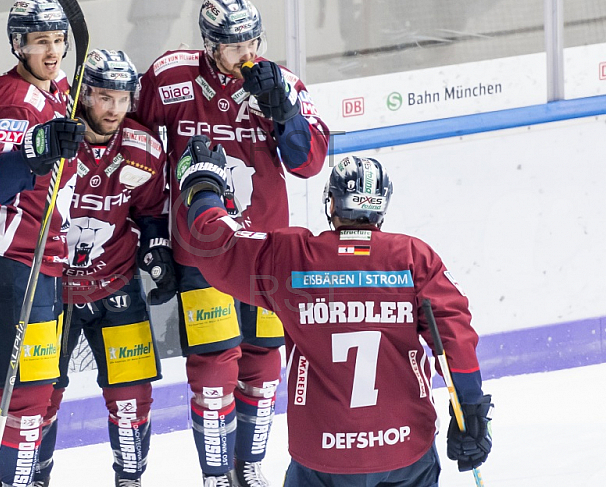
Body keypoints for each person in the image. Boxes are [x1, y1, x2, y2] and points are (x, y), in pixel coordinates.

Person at [176, 137, 494, 487]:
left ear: (331, 204)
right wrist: (471, 410)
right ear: (381, 208)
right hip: (405, 449)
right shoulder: (412, 257)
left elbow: (213, 241)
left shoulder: (292, 257)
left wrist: (203, 185)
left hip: (323, 452)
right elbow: (455, 337)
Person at [134, 0, 329, 486]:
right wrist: (154, 234)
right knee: (213, 366)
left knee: (264, 362)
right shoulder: (168, 76)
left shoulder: (279, 83)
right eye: (234, 45)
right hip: (203, 250)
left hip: (267, 250)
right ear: (209, 44)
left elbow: (309, 164)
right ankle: (216, 475)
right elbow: (137, 157)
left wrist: (282, 111)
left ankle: (249, 466)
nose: (247, 54)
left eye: (254, 41)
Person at [0, 0, 85, 487]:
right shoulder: (15, 101)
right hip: (8, 262)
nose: (52, 52)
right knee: (25, 392)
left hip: (38, 259)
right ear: (19, 46)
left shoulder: (58, 91)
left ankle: (16, 478)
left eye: (57, 41)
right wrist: (38, 150)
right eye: (40, 43)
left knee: (34, 388)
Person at [52, 49, 174, 487]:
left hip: (118, 286)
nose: (115, 110)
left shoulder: (144, 148)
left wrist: (157, 250)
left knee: (130, 399)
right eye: (105, 98)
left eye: (123, 99)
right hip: (52, 293)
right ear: (84, 95)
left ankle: (130, 479)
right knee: (40, 399)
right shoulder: (55, 140)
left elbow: (149, 213)